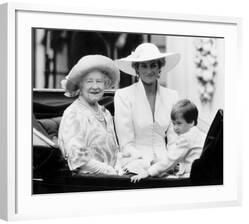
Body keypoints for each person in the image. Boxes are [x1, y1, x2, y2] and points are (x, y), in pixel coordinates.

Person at [114, 42, 181, 175]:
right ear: (136, 69)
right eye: (144, 66)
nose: (149, 71)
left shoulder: (172, 96)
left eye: (153, 65)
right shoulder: (123, 95)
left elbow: (175, 140)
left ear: (159, 67)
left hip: (166, 164)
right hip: (134, 163)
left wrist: (168, 162)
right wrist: (147, 164)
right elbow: (126, 143)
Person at [58, 55, 120, 175]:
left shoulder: (105, 113)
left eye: (99, 81)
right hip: (86, 182)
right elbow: (79, 160)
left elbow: (115, 151)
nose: (95, 86)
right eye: (89, 81)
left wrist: (119, 170)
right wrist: (110, 172)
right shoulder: (73, 114)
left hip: (112, 180)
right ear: (80, 85)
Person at [131, 99, 206, 182]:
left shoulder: (187, 137)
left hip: (190, 178)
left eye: (179, 123)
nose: (175, 127)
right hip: (196, 173)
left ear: (191, 122)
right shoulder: (197, 133)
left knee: (156, 177)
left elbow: (171, 159)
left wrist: (149, 172)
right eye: (174, 123)